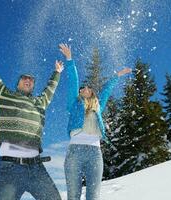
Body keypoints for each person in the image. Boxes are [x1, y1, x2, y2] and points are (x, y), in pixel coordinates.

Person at [0, 44, 63, 200]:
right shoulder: (4, 95)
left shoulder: (40, 102)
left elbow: (50, 89)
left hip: (36, 167)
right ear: (18, 83)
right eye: (24, 78)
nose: (28, 80)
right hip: (10, 168)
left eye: (31, 80)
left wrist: (57, 72)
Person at [59, 43, 132, 200]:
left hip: (95, 153)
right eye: (82, 88)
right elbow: (73, 81)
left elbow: (106, 89)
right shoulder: (74, 103)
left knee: (93, 196)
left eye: (88, 87)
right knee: (73, 195)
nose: (84, 89)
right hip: (75, 152)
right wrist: (70, 60)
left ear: (91, 91)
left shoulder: (98, 105)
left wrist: (117, 75)